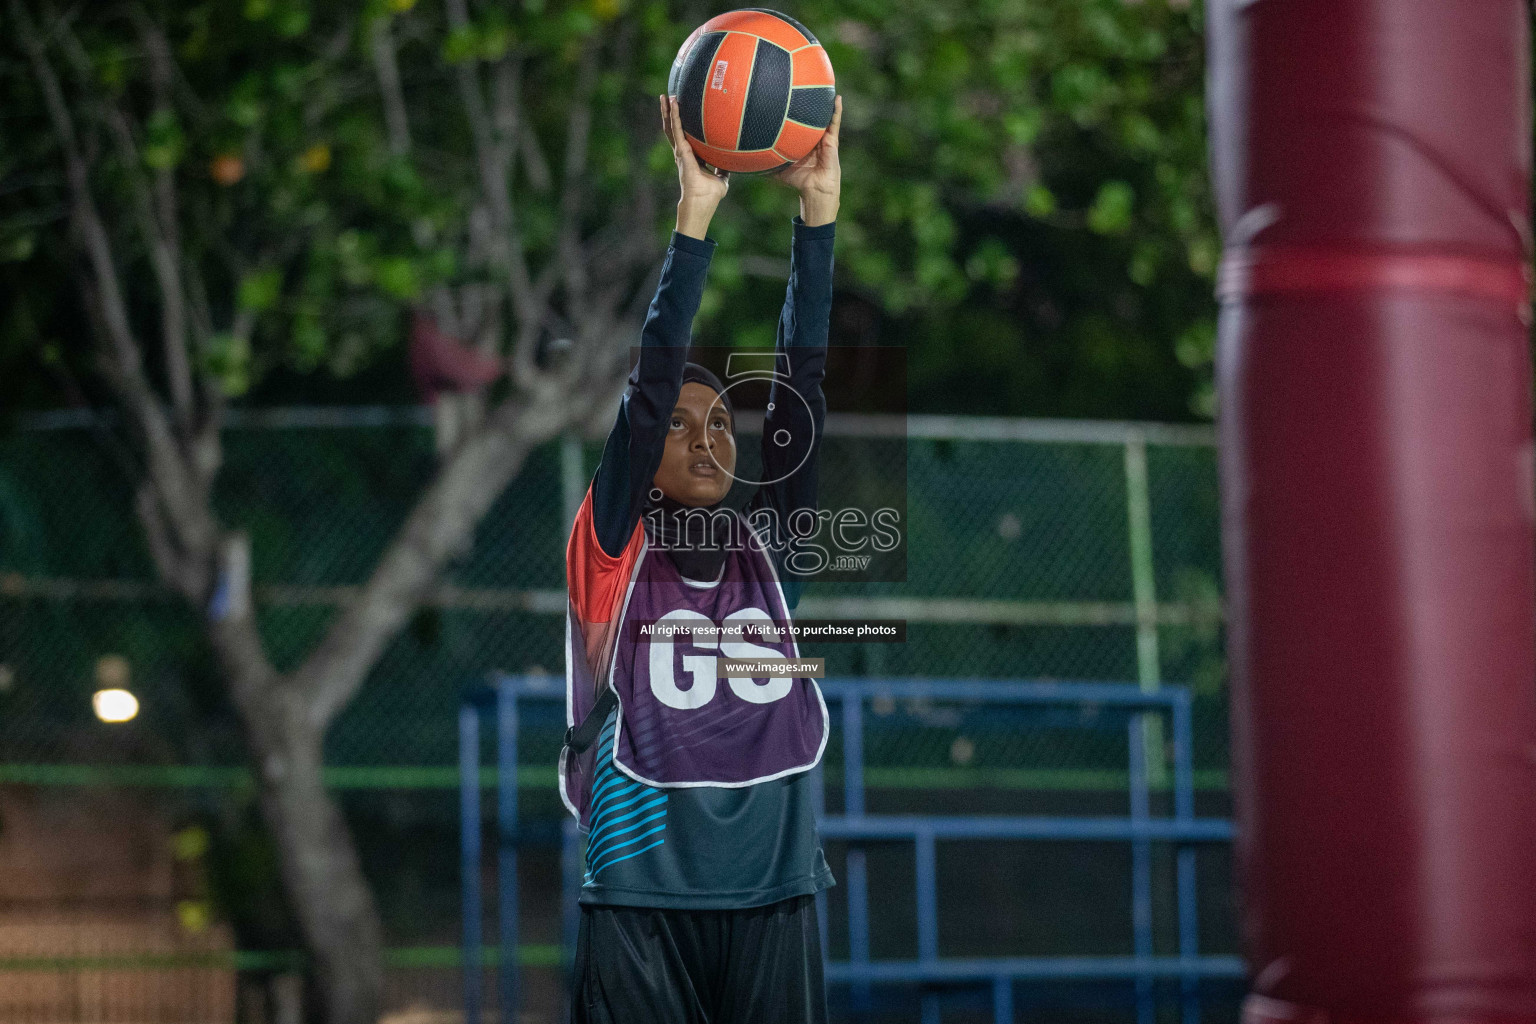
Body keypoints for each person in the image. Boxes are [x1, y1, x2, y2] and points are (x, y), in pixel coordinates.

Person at [558, 91, 843, 1024]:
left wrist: (817, 219)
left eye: (720, 422)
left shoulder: (775, 552)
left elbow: (802, 387)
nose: (707, 440)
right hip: (642, 896)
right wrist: (695, 221)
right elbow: (649, 389)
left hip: (775, 889)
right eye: (681, 428)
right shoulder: (612, 550)